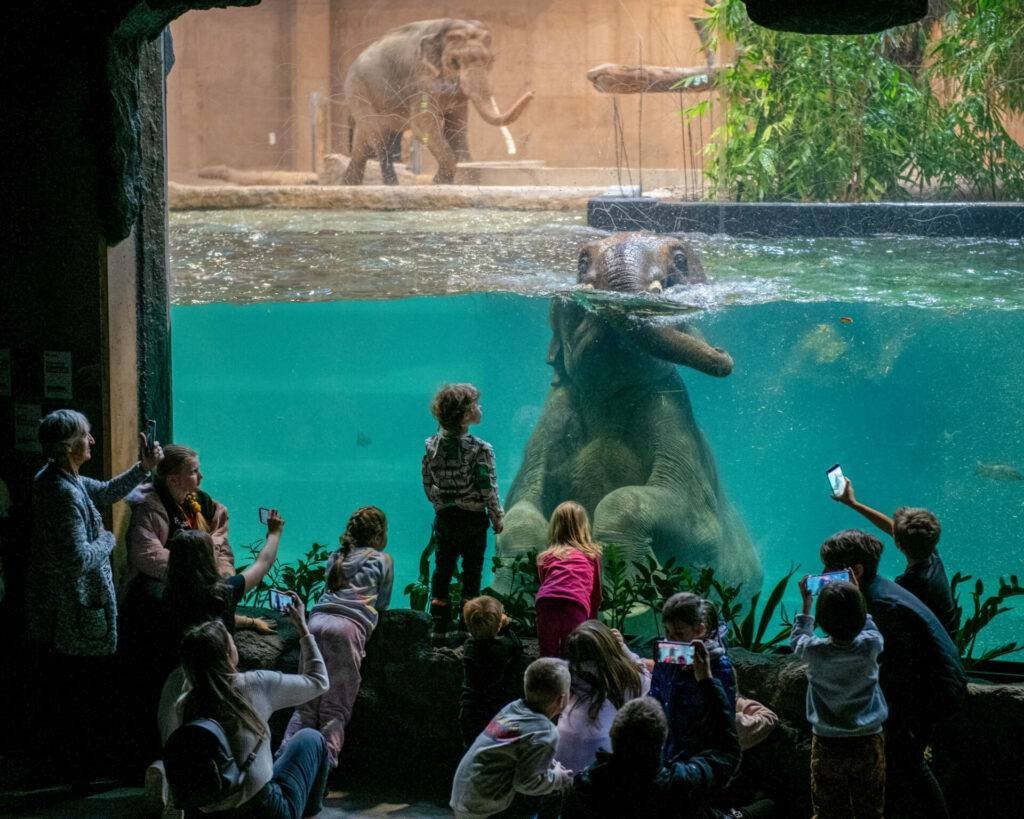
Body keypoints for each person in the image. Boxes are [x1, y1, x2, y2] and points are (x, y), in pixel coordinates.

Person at [819, 529, 967, 819]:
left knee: (907, 762)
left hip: (932, 694)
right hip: (931, 687)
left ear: (856, 571)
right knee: (901, 766)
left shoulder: (881, 606)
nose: (824, 574)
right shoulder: (878, 590)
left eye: (829, 569)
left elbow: (901, 672)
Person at [157, 598, 330, 817]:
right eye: (231, 642)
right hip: (263, 810)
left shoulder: (184, 703)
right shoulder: (254, 685)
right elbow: (319, 682)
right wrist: (304, 630)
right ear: (228, 655)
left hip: (208, 811)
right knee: (310, 738)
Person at [563, 642, 742, 819]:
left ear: (613, 735)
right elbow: (726, 752)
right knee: (766, 805)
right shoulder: (680, 784)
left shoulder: (585, 786)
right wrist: (707, 680)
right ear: (663, 740)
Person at [283, 505, 394, 767]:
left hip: (316, 624)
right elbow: (383, 602)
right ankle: (321, 770)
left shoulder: (336, 556)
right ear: (378, 536)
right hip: (347, 630)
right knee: (334, 708)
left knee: (306, 703)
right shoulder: (382, 559)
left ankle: (283, 760)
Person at [791, 576, 888, 818]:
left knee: (828, 808)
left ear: (821, 622)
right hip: (868, 739)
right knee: (871, 806)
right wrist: (856, 591)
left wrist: (806, 605)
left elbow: (798, 638)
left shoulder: (814, 651)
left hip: (827, 742)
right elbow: (869, 625)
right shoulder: (871, 645)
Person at [422, 383, 504, 633]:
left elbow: (427, 481)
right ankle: (469, 625)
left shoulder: (431, 445)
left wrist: (440, 504)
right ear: (465, 415)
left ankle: (439, 621)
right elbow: (487, 487)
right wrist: (497, 516)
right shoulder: (481, 449)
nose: (480, 408)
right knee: (472, 570)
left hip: (445, 517)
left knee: (443, 567)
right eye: (475, 405)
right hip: (473, 519)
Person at [450, 657, 573, 819]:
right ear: (562, 699)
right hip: (484, 806)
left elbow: (523, 750)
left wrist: (552, 766)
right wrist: (558, 778)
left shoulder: (514, 708)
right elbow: (525, 783)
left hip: (464, 794)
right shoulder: (546, 732)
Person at [834, 478, 957, 635]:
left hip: (923, 653)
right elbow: (896, 529)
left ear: (897, 543)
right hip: (946, 643)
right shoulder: (932, 555)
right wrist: (854, 503)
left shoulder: (908, 584)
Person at [124, 444, 234, 595]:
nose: (201, 476)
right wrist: (199, 574)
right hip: (165, 585)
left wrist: (224, 577)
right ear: (173, 480)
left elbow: (222, 548)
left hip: (203, 581)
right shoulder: (148, 509)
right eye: (194, 472)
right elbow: (148, 556)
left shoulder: (205, 503)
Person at [164, 512, 283, 641]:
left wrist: (251, 622)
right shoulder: (223, 591)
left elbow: (209, 617)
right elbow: (264, 563)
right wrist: (274, 533)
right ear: (207, 559)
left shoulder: (168, 594)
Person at [650, 592, 737, 761]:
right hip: (667, 751)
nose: (670, 638)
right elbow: (656, 693)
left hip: (699, 758)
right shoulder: (667, 657)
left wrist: (705, 677)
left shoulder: (719, 665)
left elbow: (724, 717)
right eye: (667, 631)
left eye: (679, 633)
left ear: (700, 630)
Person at [555, 620, 651, 773]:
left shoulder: (566, 673)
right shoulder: (625, 677)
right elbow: (648, 682)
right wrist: (625, 650)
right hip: (600, 765)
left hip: (560, 764)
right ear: (610, 648)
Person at [534, 501, 603, 657]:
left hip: (546, 604)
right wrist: (590, 622)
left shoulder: (545, 557)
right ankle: (570, 680)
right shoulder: (592, 556)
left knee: (547, 655)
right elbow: (596, 595)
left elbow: (546, 585)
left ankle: (547, 680)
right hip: (575, 605)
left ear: (555, 527)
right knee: (572, 654)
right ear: (583, 527)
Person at [459, 595, 524, 747]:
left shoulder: (469, 647)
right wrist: (507, 627)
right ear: (498, 625)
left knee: (473, 752)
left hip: (470, 711)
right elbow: (517, 646)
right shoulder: (503, 648)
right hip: (497, 713)